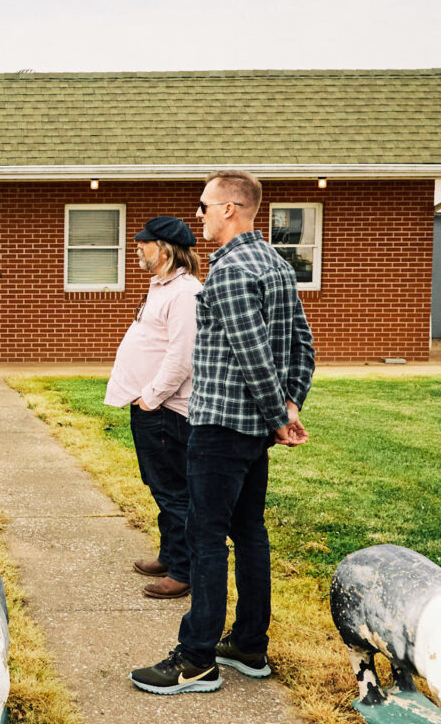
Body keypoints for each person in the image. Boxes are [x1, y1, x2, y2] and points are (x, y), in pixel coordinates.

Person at [130, 170, 314, 695]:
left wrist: (282, 417)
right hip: (252, 430)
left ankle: (196, 659)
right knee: (249, 533)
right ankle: (249, 645)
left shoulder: (231, 270)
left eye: (205, 205)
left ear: (231, 208)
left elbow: (253, 353)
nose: (200, 215)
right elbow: (304, 344)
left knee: (206, 540)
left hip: (217, 427)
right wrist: (289, 403)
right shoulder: (277, 265)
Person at [104, 216, 202, 601]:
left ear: (164, 249)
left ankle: (182, 571)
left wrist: (151, 397)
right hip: (150, 406)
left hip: (165, 410)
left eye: (144, 243)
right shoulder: (161, 287)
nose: (138, 248)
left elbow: (183, 356)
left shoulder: (185, 294)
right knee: (160, 487)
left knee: (174, 491)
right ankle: (169, 554)